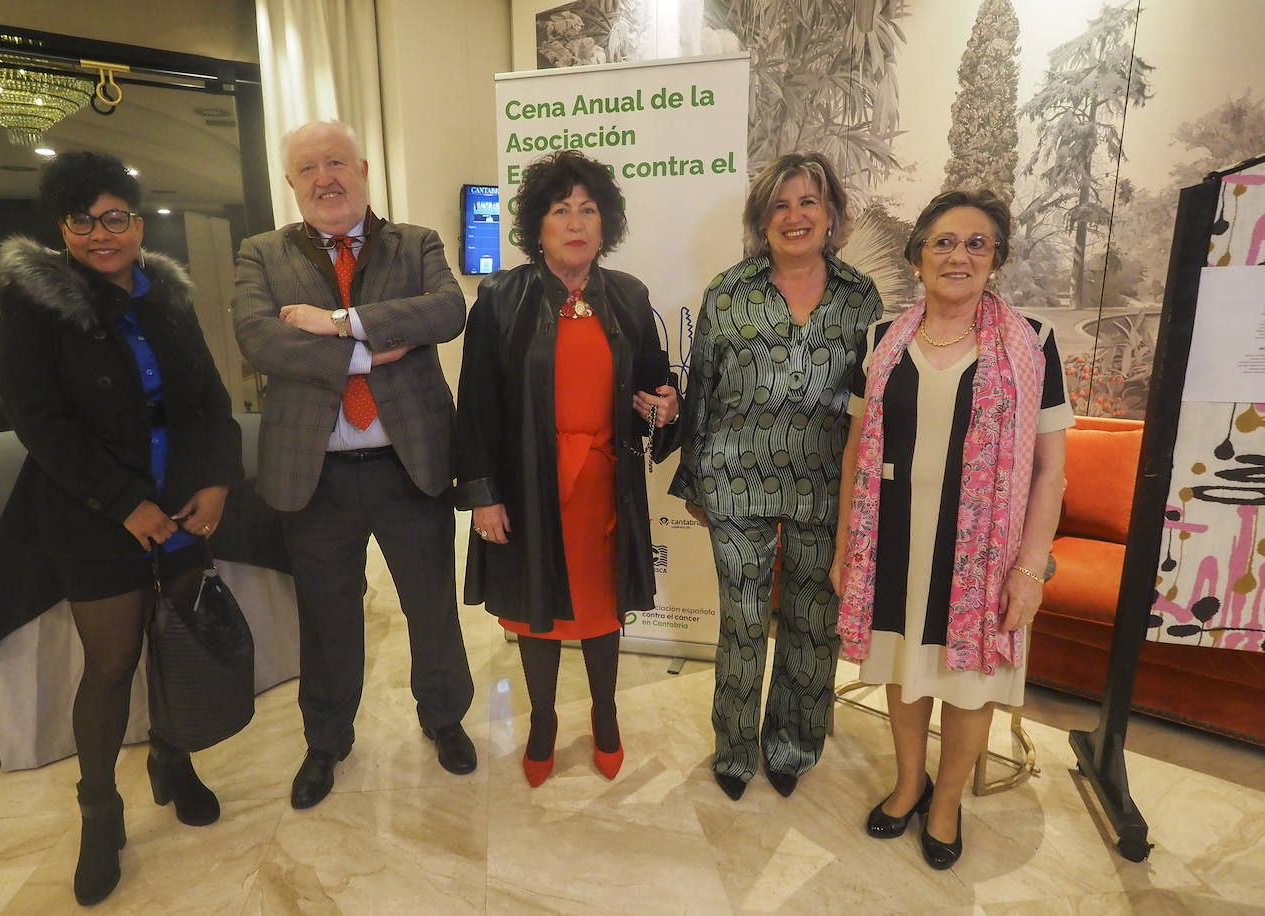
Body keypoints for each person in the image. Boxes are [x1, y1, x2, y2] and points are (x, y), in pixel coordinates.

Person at [0, 151, 244, 905]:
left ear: (138, 221)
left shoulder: (165, 295)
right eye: (83, 221)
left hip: (180, 503)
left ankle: (173, 758)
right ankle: (100, 813)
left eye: (115, 218)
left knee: (177, 641)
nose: (101, 235)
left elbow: (205, 397)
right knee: (109, 664)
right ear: (62, 227)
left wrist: (214, 479)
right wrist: (122, 501)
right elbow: (38, 421)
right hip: (93, 512)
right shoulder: (35, 303)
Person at [232, 120, 476, 811]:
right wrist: (371, 351)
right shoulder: (260, 253)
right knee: (327, 615)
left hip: (408, 463)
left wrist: (337, 324)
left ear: (363, 168)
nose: (324, 178)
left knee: (430, 605)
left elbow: (446, 311)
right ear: (291, 183)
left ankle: (444, 716)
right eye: (308, 169)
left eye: (336, 162)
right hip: (317, 474)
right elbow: (258, 338)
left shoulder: (417, 242)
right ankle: (327, 739)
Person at [831, 189, 1072, 870]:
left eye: (976, 243)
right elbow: (855, 453)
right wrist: (850, 545)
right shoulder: (881, 341)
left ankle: (947, 802)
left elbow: (1051, 470)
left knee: (971, 685)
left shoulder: (1033, 343)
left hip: (985, 557)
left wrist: (1029, 569)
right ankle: (910, 784)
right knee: (906, 671)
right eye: (941, 241)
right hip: (896, 540)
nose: (957, 255)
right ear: (917, 258)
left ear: (996, 260)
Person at [455, 149, 680, 787]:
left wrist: (663, 407)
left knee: (603, 606)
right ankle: (545, 722)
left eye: (588, 210)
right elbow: (474, 407)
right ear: (538, 226)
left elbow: (652, 388)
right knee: (537, 609)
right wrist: (483, 497)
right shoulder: (501, 297)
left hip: (605, 486)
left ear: (605, 224)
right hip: (531, 484)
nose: (576, 222)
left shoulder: (629, 297)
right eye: (561, 210)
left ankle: (606, 717)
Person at [670, 152, 882, 801]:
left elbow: (870, 404)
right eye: (781, 204)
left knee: (814, 622)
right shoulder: (728, 292)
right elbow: (699, 389)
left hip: (826, 485)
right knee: (741, 618)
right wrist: (693, 482)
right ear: (763, 218)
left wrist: (866, 498)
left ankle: (793, 745)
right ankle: (735, 751)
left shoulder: (859, 297)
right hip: (735, 480)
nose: (795, 216)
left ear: (832, 215)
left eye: (809, 202)